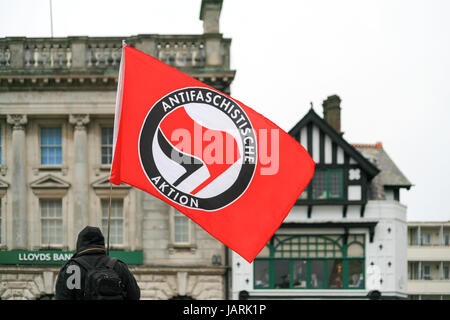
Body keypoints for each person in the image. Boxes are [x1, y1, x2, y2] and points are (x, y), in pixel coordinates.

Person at [55, 226, 140, 300]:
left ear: (79, 243)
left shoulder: (71, 268)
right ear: (102, 243)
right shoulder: (119, 266)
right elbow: (135, 295)